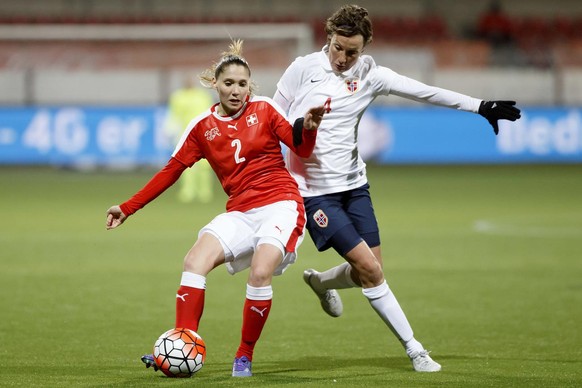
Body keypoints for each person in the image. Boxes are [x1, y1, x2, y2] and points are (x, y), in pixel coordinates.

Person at [273, 4, 521, 373]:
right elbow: (273, 119)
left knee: (368, 272)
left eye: (352, 51)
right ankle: (415, 349)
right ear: (329, 39)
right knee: (372, 272)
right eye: (337, 47)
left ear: (366, 47)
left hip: (355, 186)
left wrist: (480, 106)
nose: (342, 57)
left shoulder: (373, 75)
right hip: (313, 192)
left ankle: (322, 283)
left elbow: (425, 92)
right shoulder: (302, 68)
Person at [105, 40, 326, 378]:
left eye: (242, 84)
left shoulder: (265, 109)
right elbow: (171, 170)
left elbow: (301, 148)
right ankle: (182, 341)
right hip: (240, 211)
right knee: (194, 261)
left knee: (261, 271)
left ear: (249, 85)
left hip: (280, 204)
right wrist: (128, 207)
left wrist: (308, 129)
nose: (236, 90)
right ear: (215, 84)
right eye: (228, 83)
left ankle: (244, 356)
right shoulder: (201, 128)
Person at [165, 75, 215, 203]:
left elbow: (211, 114)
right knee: (186, 164)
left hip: (204, 133)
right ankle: (188, 191)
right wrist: (170, 130)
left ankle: (204, 192)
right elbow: (174, 115)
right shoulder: (178, 97)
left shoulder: (202, 95)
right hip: (185, 134)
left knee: (205, 164)